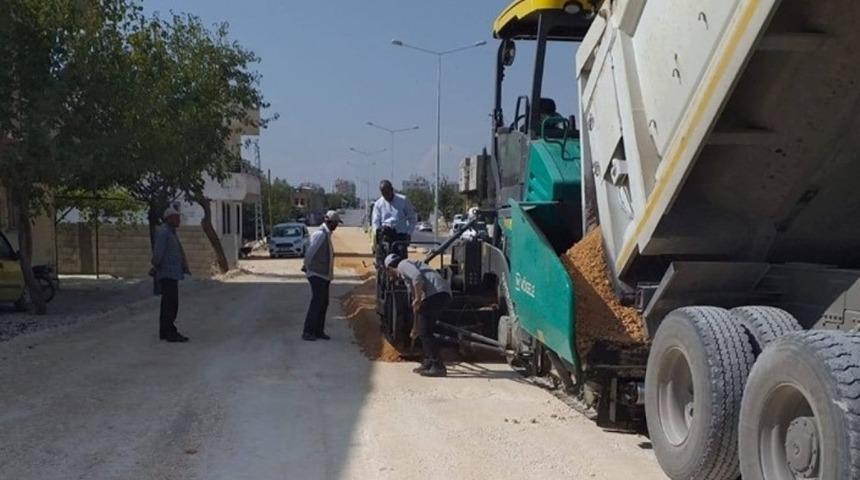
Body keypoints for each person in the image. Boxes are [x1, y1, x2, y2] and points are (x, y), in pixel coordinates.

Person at [384, 253, 452, 377]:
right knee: (423, 330)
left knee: (426, 332)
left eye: (387, 272)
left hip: (436, 294)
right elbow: (416, 308)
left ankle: (438, 366)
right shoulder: (406, 276)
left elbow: (417, 277)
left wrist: (418, 298)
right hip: (439, 294)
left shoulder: (402, 265)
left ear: (389, 268)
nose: (389, 276)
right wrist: (415, 328)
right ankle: (428, 362)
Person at [151, 205, 191, 343]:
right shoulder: (164, 233)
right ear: (169, 219)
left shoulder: (171, 232)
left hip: (172, 273)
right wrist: (155, 266)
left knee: (168, 303)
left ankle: (164, 331)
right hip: (167, 273)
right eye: (177, 218)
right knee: (170, 304)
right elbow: (158, 253)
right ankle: (170, 332)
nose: (179, 220)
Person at [301, 210, 341, 341]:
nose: (336, 226)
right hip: (316, 274)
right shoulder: (320, 234)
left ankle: (318, 331)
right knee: (317, 302)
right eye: (335, 223)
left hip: (324, 275)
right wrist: (306, 266)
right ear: (330, 222)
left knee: (323, 303)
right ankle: (308, 331)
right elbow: (310, 252)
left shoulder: (327, 234)